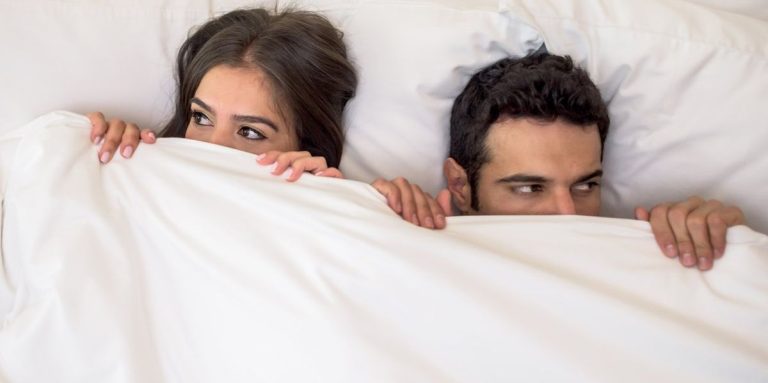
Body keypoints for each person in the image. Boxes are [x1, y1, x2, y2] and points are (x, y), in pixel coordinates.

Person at [88, 7, 447, 230]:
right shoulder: (138, 168)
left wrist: (355, 212)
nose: (213, 148)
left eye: (249, 131)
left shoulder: (330, 215)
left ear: (304, 144)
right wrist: (104, 160)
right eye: (201, 117)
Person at [431, 52, 744, 271]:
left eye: (585, 185)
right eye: (529, 188)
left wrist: (732, 253)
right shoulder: (424, 269)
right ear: (460, 186)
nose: (568, 214)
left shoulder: (648, 265)